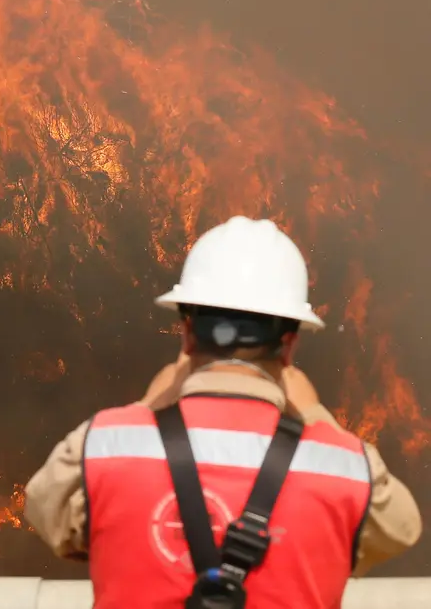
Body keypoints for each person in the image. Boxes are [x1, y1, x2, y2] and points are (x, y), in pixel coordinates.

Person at [23, 216, 422, 608]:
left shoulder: (102, 448)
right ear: (289, 344)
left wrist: (148, 406)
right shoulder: (346, 470)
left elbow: (48, 512)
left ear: (187, 334)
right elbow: (401, 530)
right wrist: (315, 413)